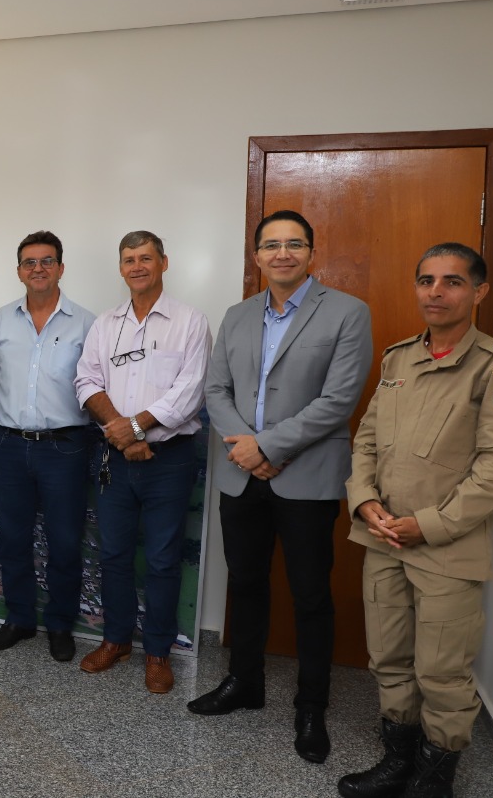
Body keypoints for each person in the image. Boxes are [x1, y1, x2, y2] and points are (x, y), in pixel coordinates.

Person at [338, 244, 493, 798]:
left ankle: (434, 778)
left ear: (479, 291)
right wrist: (364, 500)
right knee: (390, 659)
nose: (436, 292)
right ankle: (397, 761)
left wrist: (430, 524)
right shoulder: (399, 358)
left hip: (447, 547)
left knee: (442, 672)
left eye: (451, 281)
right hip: (383, 538)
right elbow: (368, 438)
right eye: (426, 280)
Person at [189, 210, 373, 765]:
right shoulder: (237, 315)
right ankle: (244, 683)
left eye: (294, 244)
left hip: (306, 476)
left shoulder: (347, 313)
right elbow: (215, 388)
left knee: (311, 595)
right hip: (240, 473)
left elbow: (339, 400)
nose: (283, 254)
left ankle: (311, 707)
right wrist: (245, 444)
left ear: (311, 253)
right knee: (244, 582)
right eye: (271, 245)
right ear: (257, 256)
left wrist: (267, 446)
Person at [73, 230, 211, 693]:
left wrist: (134, 428)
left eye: (146, 258)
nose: (137, 266)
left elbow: (189, 393)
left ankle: (157, 651)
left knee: (162, 559)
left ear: (163, 264)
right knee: (112, 555)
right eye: (129, 259)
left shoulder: (190, 322)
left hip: (168, 460)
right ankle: (116, 640)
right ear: (121, 267)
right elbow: (86, 380)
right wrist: (123, 432)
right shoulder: (105, 324)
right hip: (117, 457)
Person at [0, 231, 96, 662]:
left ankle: (61, 624)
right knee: (12, 538)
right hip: (10, 444)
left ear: (61, 268)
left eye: (47, 261)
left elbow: (93, 385)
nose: (38, 269)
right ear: (19, 271)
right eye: (29, 262)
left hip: (64, 447)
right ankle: (19, 619)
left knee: (64, 540)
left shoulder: (87, 323)